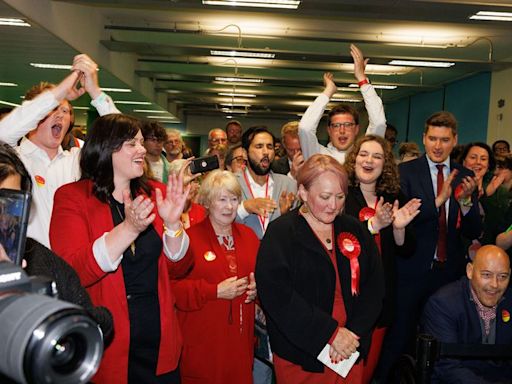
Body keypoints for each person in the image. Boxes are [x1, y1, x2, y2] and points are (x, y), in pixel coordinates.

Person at [49, 114, 193, 384]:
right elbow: (73, 271)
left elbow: (180, 268)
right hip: (107, 344)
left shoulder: (156, 193)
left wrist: (173, 225)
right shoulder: (72, 198)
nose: (142, 149)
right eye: (132, 144)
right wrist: (129, 228)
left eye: (141, 142)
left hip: (159, 341)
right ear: (106, 148)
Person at [256, 154, 384, 384]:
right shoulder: (281, 233)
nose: (333, 206)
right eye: (324, 197)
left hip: (350, 351)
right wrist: (330, 334)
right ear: (303, 193)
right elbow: (277, 296)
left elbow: (375, 286)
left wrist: (352, 335)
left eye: (340, 197)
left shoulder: (354, 228)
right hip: (303, 355)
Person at [377, 111, 482, 381]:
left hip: (450, 273)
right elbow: (403, 223)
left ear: (454, 140)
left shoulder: (466, 176)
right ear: (423, 139)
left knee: (444, 343)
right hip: (412, 270)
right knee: (399, 338)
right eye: (432, 138)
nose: (438, 145)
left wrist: (467, 202)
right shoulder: (405, 173)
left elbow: (473, 232)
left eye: (444, 140)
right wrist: (440, 199)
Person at [0, 54, 120, 248]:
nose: (61, 115)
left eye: (65, 111)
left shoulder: (77, 160)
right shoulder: (15, 157)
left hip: (72, 269)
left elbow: (123, 142)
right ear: (35, 116)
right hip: (28, 266)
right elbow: (3, 133)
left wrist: (95, 93)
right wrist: (62, 89)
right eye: (53, 108)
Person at [0, 141, 113, 340]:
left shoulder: (37, 257)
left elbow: (99, 324)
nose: (5, 218)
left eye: (12, 206)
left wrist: (51, 320)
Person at [343, 135, 420, 383]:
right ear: (354, 159)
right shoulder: (341, 195)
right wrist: (374, 225)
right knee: (343, 370)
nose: (369, 160)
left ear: (385, 163)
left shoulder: (393, 196)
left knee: (367, 371)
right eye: (364, 154)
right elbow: (340, 241)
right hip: (346, 300)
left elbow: (406, 250)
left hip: (380, 300)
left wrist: (398, 228)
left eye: (377, 156)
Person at [172, 170, 259, 384]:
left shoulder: (249, 237)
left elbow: (262, 278)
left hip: (240, 346)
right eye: (222, 199)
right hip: (203, 345)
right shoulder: (188, 239)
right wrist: (215, 291)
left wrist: (258, 289)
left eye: (234, 199)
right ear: (207, 202)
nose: (229, 206)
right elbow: (172, 289)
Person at [421, 245, 512, 383]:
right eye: (486, 275)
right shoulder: (443, 304)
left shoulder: (509, 301)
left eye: (503, 277)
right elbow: (447, 367)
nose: (495, 284)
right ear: (470, 271)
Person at [298, 44, 386, 164]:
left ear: (356, 129)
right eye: (336, 125)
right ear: (329, 130)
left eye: (348, 125)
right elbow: (305, 128)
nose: (342, 130)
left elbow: (379, 123)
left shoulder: (365, 156)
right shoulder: (317, 155)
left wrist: (362, 79)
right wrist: (328, 91)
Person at [236, 126, 297, 240]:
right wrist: (245, 208)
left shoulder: (289, 185)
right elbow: (218, 222)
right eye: (259, 146)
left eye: (270, 147)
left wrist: (286, 216)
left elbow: (299, 229)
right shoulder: (230, 184)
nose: (266, 152)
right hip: (243, 253)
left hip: (278, 253)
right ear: (244, 153)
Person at [168, 159, 206, 229]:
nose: (189, 187)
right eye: (183, 182)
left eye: (193, 181)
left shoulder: (202, 212)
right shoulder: (165, 211)